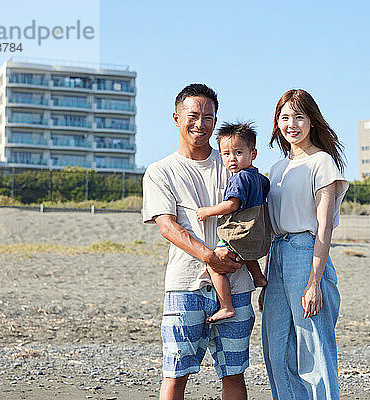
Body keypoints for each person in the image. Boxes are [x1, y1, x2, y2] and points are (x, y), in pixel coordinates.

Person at [142, 83, 255, 400]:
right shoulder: (160, 171)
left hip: (237, 283)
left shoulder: (233, 163)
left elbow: (257, 213)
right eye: (193, 115)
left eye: (209, 117)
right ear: (176, 117)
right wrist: (210, 258)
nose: (201, 124)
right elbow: (168, 226)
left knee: (234, 373)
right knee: (175, 373)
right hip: (185, 285)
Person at [260, 89, 349, 400]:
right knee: (275, 346)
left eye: (299, 117)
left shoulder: (322, 162)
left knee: (313, 346)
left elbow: (325, 227)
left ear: (312, 121)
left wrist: (314, 283)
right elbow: (269, 227)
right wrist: (265, 281)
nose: (291, 124)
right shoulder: (276, 169)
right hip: (278, 256)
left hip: (306, 252)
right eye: (284, 118)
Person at [196, 122, 270, 323]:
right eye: (226, 154)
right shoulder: (261, 179)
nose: (232, 159)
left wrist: (207, 212)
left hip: (240, 230)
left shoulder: (239, 179)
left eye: (238, 152)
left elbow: (231, 205)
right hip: (257, 231)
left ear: (252, 153)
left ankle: (226, 306)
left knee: (214, 264)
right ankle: (258, 277)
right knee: (245, 252)